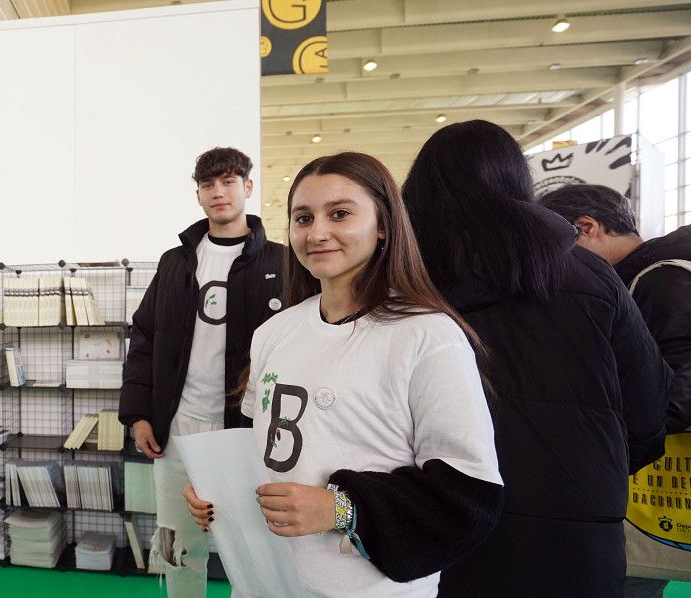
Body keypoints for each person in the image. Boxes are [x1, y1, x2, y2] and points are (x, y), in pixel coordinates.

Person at [184, 152, 504, 596]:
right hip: (267, 578)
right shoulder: (274, 332)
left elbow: (471, 496)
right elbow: (259, 446)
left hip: (369, 587)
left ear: (382, 226)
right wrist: (216, 491)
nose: (317, 233)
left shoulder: (427, 335)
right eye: (302, 217)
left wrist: (342, 509)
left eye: (339, 214)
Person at [400, 121, 669, 597]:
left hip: (437, 513)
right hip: (578, 517)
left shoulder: (404, 279)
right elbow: (649, 405)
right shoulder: (590, 273)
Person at [118, 146, 285, 596]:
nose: (219, 192)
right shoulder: (176, 262)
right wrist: (138, 414)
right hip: (178, 426)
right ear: (198, 195)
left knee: (250, 542)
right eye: (208, 184)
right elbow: (145, 336)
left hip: (248, 430)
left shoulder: (281, 262)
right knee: (178, 540)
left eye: (229, 182)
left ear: (247, 188)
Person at [540, 183, 691, 597]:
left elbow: (680, 387)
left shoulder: (661, 279)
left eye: (555, 248)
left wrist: (612, 445)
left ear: (586, 228)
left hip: (659, 477)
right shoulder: (665, 268)